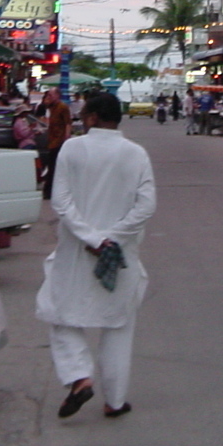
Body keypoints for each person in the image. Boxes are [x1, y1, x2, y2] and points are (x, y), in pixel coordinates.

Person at [36, 91, 156, 419]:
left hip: (76, 250)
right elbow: (146, 206)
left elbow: (60, 201)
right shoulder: (136, 154)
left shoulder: (73, 148)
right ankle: (115, 401)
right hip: (120, 254)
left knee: (58, 312)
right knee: (118, 326)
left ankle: (78, 377)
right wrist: (111, 238)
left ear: (91, 118)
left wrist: (92, 237)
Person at [40, 87, 71, 200]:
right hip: (52, 140)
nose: (50, 97)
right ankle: (49, 190)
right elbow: (44, 105)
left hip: (58, 141)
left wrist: (66, 138)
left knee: (53, 167)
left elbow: (68, 123)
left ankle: (49, 191)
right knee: (52, 166)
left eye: (52, 95)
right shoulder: (52, 107)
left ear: (58, 95)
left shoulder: (62, 107)